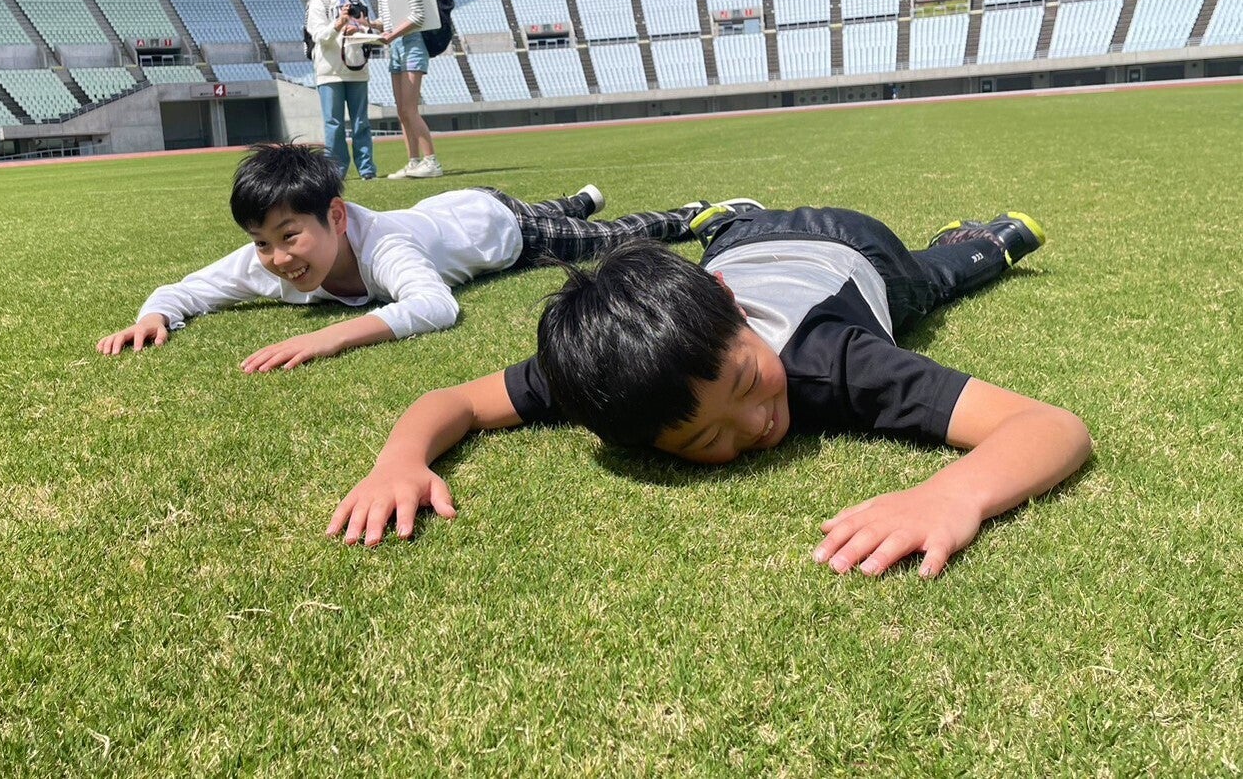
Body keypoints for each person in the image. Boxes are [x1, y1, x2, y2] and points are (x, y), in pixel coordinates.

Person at [328, 201, 1092, 580]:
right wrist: (399, 462)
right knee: (731, 240)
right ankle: (729, 222)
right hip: (738, 254)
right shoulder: (608, 375)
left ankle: (986, 240)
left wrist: (951, 495)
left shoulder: (832, 359)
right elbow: (457, 401)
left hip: (853, 250)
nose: (756, 422)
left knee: (930, 280)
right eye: (705, 440)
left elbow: (1052, 426)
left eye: (748, 381)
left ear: (728, 309)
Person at [95, 142, 733, 372]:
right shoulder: (270, 261)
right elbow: (190, 290)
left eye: (289, 237)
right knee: (563, 212)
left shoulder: (383, 246)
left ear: (335, 216)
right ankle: (578, 199)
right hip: (447, 212)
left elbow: (436, 305)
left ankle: (694, 212)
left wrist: (330, 338)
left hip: (496, 228)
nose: (277, 258)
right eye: (262, 241)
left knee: (605, 239)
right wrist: (155, 315)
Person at [372, 0, 442, 180]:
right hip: (397, 47)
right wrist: (367, 24)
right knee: (402, 110)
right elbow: (387, 20)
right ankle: (413, 161)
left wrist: (391, 35)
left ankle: (431, 161)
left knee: (410, 109)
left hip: (412, 44)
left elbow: (417, 16)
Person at [307, 0, 376, 180]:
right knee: (333, 123)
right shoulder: (318, 2)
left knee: (361, 122)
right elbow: (319, 35)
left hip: (357, 67)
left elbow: (370, 30)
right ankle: (336, 172)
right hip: (330, 70)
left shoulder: (356, 0)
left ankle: (367, 170)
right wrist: (339, 24)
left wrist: (360, 28)